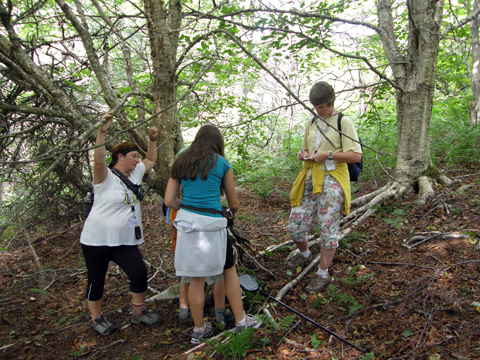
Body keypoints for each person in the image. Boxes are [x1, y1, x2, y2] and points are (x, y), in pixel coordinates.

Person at [164, 124, 261, 344]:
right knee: (229, 271)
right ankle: (240, 321)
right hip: (214, 227)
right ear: (218, 143)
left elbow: (169, 201)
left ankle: (199, 330)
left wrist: (188, 207)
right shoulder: (222, 163)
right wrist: (228, 213)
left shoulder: (180, 162)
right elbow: (233, 203)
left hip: (188, 226)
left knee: (196, 279)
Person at [80, 112, 162, 335]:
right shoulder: (104, 176)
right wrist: (101, 132)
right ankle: (97, 318)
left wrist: (152, 140)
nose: (137, 160)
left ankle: (138, 313)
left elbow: (152, 160)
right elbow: (98, 159)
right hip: (96, 240)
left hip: (124, 240)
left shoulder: (136, 175)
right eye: (133, 156)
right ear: (119, 157)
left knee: (138, 272)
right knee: (96, 280)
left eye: (137, 156)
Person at [287, 82, 362, 293]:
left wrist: (328, 155)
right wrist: (303, 154)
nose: (318, 111)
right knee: (295, 226)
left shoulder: (343, 121)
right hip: (311, 177)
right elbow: (305, 148)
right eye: (315, 107)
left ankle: (322, 273)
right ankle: (304, 255)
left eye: (321, 107)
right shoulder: (312, 121)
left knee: (328, 229)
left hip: (333, 178)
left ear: (330, 103)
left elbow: (355, 155)